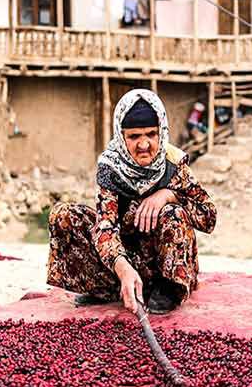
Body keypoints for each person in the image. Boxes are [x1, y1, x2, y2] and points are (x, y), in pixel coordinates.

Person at [46, 89, 217, 315]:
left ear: (161, 133)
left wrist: (168, 195)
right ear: (121, 136)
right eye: (134, 136)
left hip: (162, 265)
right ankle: (111, 286)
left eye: (151, 134)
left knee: (172, 213)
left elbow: (208, 216)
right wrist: (122, 266)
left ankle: (167, 290)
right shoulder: (111, 166)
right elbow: (105, 225)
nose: (144, 144)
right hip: (126, 258)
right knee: (64, 215)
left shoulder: (174, 165)